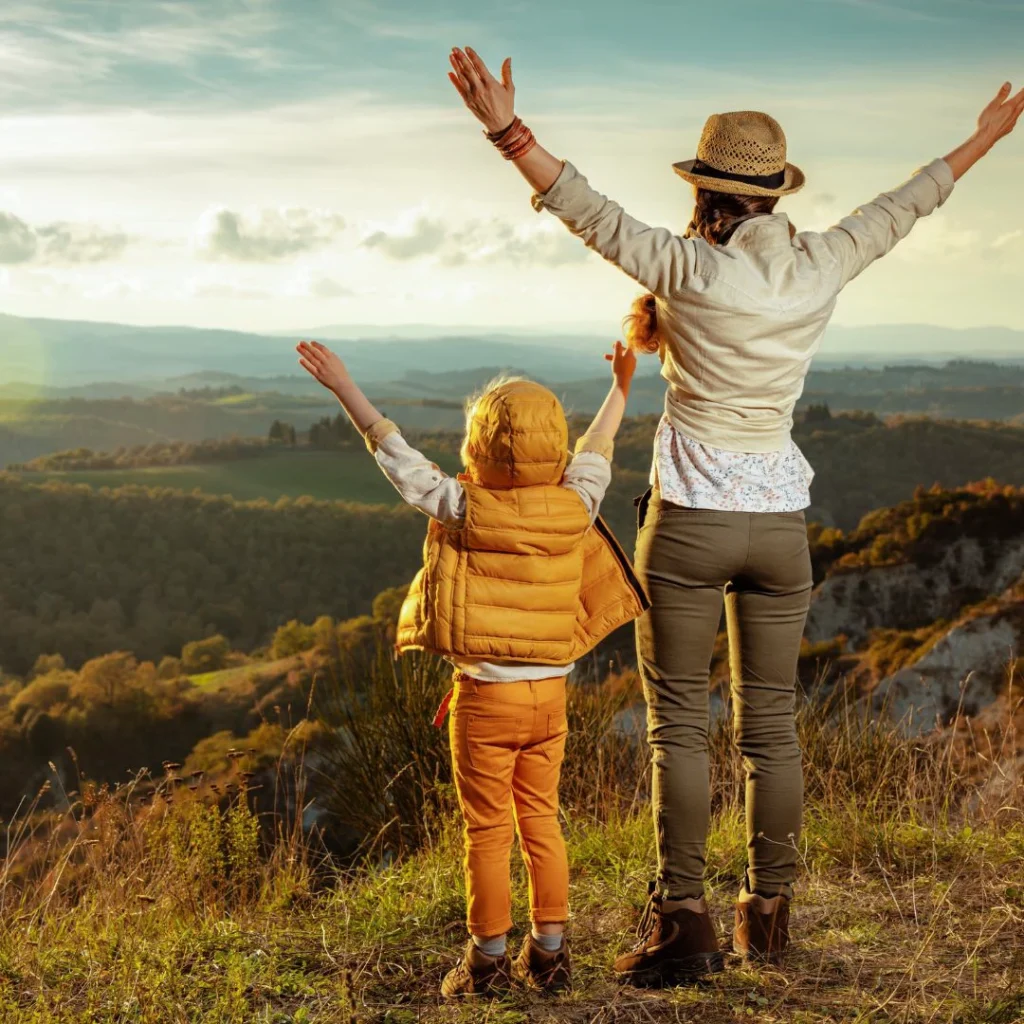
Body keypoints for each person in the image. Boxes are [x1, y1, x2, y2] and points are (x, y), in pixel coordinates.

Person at [447, 45, 1024, 985]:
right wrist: (983, 140)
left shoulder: (687, 270)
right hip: (781, 527)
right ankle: (771, 912)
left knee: (679, 722)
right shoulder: (823, 264)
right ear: (774, 192)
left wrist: (506, 130)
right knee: (773, 726)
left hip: (688, 522)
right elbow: (909, 203)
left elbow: (584, 208)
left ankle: (684, 921)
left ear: (709, 191)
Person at [296, 338, 648, 998]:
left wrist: (344, 387)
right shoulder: (576, 503)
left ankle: (486, 959)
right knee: (541, 819)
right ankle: (550, 953)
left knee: (486, 830)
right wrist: (621, 387)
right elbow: (599, 449)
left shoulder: (465, 507)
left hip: (485, 703)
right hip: (551, 699)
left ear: (477, 445)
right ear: (556, 447)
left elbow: (399, 461)